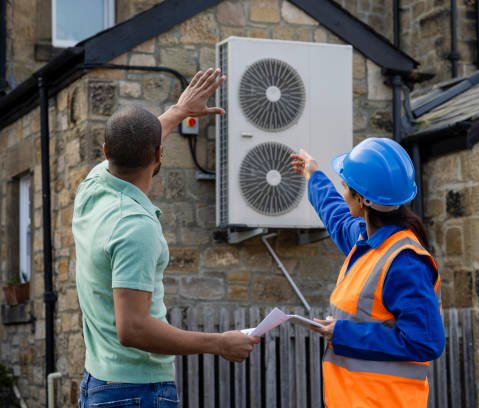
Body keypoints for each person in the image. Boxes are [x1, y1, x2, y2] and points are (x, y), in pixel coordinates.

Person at [72, 68, 260, 407]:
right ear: (160, 155)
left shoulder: (92, 187)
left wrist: (179, 110)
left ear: (104, 152)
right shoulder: (134, 226)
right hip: (134, 393)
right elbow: (133, 328)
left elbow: (137, 141)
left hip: (100, 382)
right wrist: (219, 344)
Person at [291, 138, 445, 408]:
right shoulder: (368, 241)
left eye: (345, 186)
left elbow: (426, 342)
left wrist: (342, 333)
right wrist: (313, 175)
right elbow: (337, 217)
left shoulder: (405, 262)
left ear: (362, 199)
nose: (343, 191)